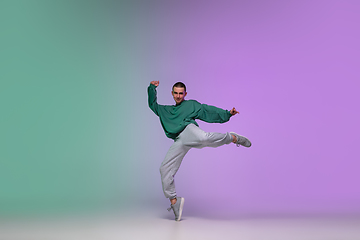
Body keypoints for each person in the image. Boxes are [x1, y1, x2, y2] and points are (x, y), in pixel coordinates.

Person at [148, 81, 251, 221]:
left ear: (185, 94)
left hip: (189, 130)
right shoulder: (165, 111)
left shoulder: (191, 105)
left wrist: (227, 113)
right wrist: (152, 88)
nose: (178, 96)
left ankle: (232, 138)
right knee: (164, 169)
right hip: (179, 139)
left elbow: (207, 110)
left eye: (181, 93)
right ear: (172, 94)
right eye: (176, 93)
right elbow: (152, 105)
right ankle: (174, 202)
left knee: (204, 138)